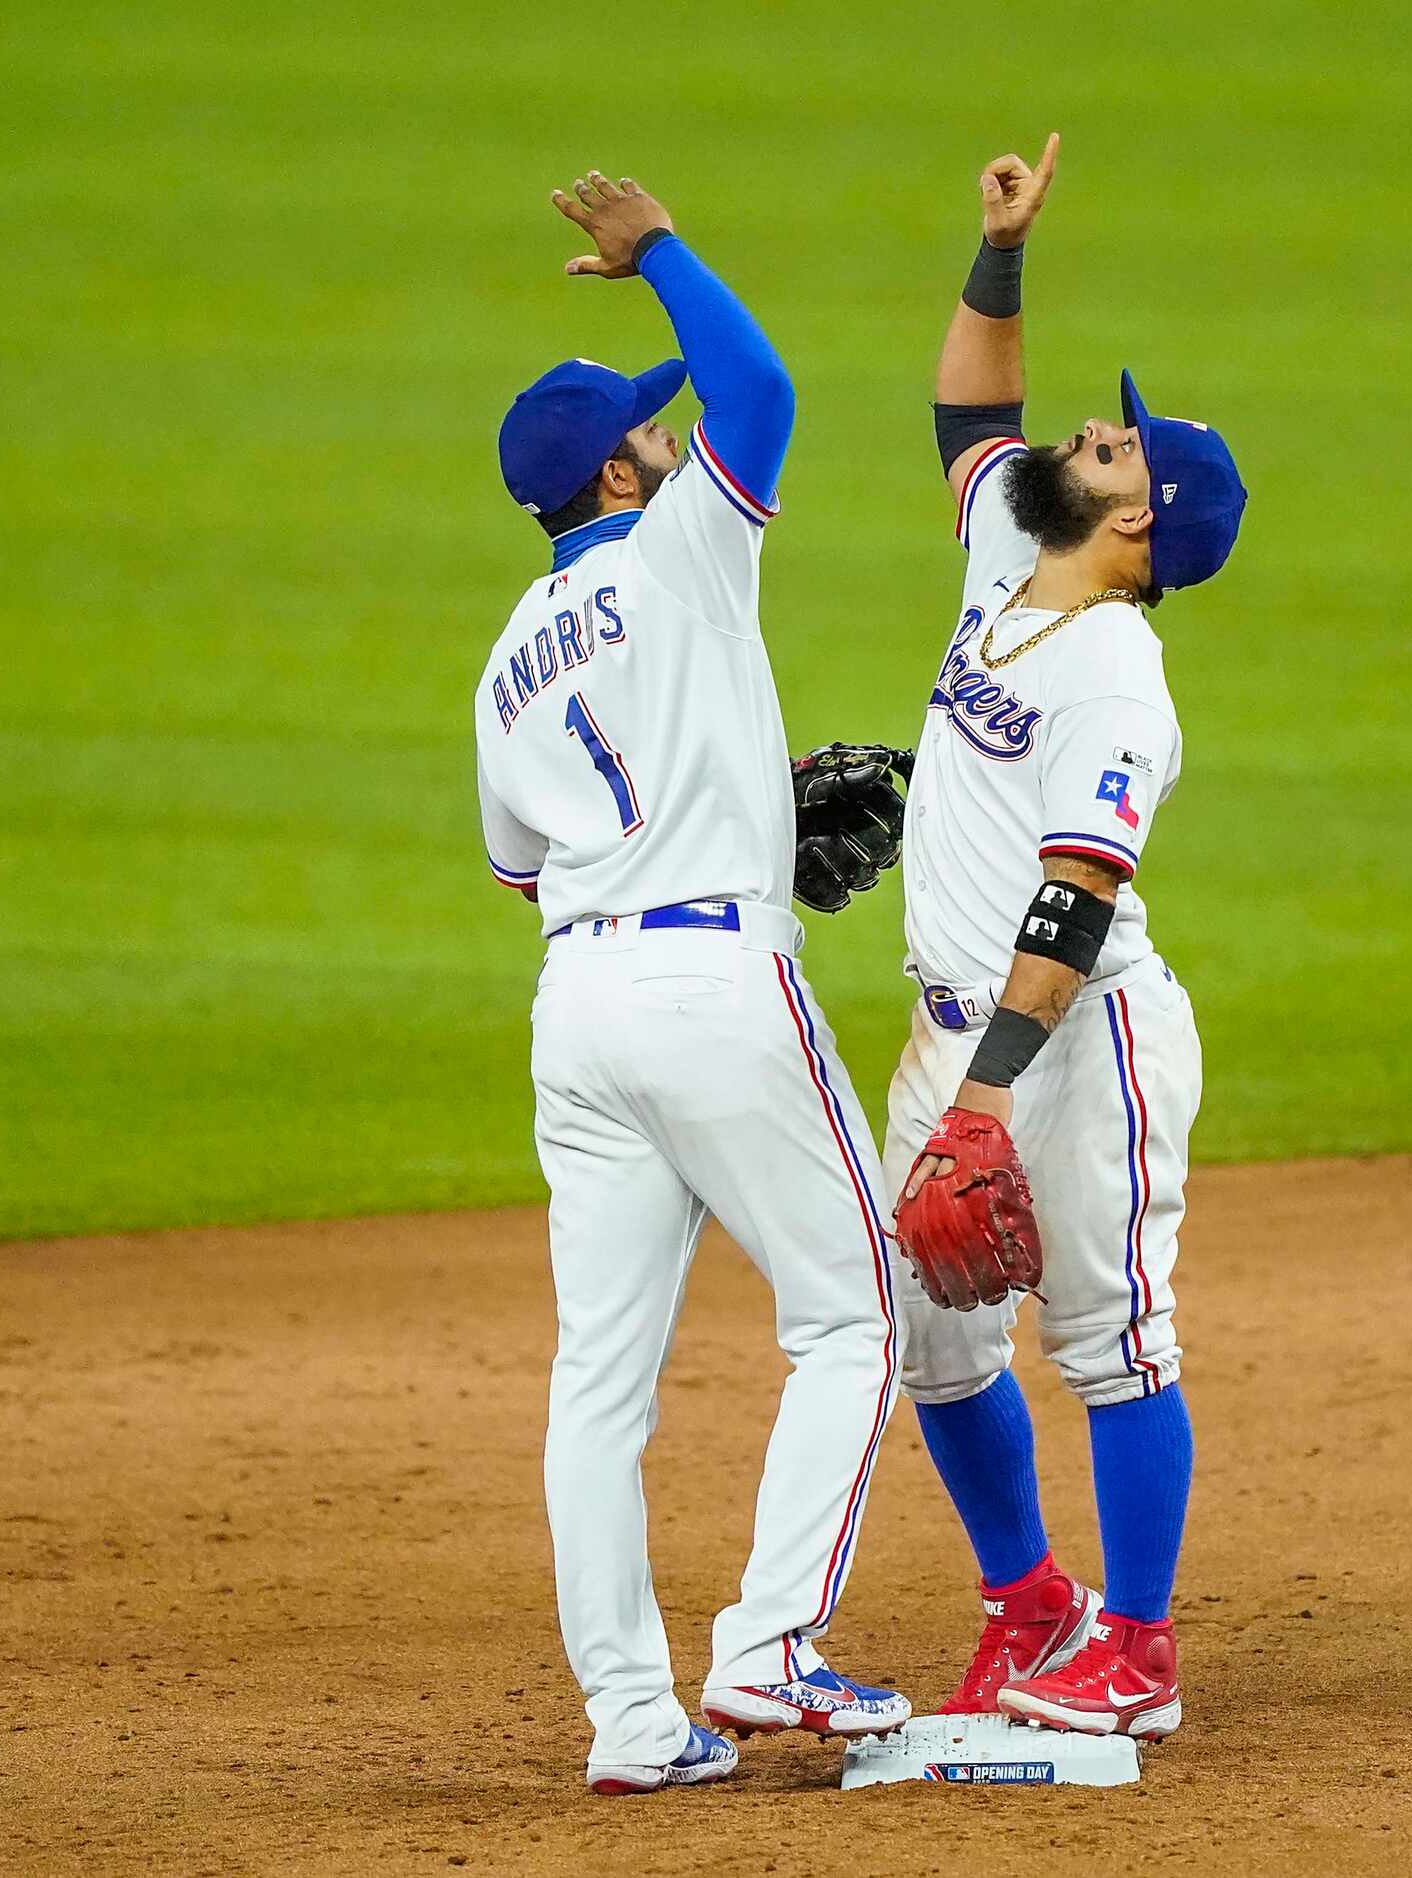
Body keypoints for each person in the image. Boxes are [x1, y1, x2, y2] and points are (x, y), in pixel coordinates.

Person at [474, 167, 909, 1796]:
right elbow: (766, 389)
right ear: (617, 469)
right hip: (715, 989)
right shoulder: (681, 544)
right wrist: (656, 254)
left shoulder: (502, 658)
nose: (671, 436)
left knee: (600, 1374)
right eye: (647, 430)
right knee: (852, 1315)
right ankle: (768, 1645)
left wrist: (731, 797)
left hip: (575, 1010)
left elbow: (527, 865)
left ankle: (628, 1719)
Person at [882, 134, 1249, 1742]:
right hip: (948, 1024)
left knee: (1109, 1333)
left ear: (1142, 528)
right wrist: (1000, 247)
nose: (1088, 432)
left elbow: (1075, 889)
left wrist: (984, 1096)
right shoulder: (1007, 548)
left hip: (1076, 1032)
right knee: (933, 1334)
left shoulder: (1117, 675)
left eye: (1118, 447)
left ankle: (1141, 1649)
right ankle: (1032, 1604)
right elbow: (972, 407)